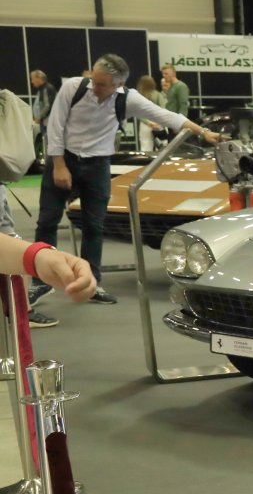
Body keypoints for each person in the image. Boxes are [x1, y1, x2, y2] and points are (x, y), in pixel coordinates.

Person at [30, 55, 222, 320]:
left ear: (118, 84)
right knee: (47, 220)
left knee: (94, 226)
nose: (94, 87)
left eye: (101, 85)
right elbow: (55, 125)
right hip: (63, 158)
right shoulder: (73, 87)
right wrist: (59, 165)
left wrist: (204, 132)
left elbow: (167, 116)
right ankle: (40, 282)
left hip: (98, 165)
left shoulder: (129, 99)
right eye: (94, 80)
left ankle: (90, 283)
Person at [28, 70, 55, 166]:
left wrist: (39, 117)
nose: (32, 82)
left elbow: (47, 105)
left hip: (48, 122)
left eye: (33, 79)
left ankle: (50, 166)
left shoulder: (46, 89)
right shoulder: (42, 89)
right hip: (45, 122)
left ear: (39, 78)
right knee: (47, 143)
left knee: (49, 144)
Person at [133, 75, 162, 153]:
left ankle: (146, 160)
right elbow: (163, 109)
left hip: (145, 124)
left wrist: (148, 122)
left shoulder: (138, 96)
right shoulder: (158, 95)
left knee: (145, 146)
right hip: (158, 122)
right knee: (160, 147)